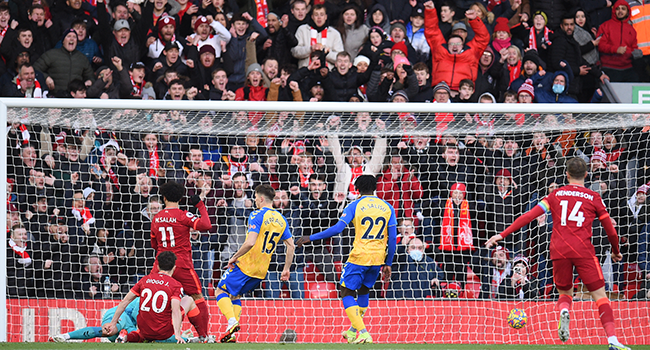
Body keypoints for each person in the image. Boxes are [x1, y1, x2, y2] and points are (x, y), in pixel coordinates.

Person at [486, 157, 630, 350]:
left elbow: (529, 216)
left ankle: (564, 310)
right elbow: (610, 230)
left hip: (559, 250)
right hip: (583, 250)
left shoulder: (555, 195)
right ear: (586, 174)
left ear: (567, 175)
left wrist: (502, 234)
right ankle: (613, 340)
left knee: (565, 292)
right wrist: (615, 251)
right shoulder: (594, 197)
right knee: (601, 297)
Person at [296, 175, 397, 344]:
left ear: (357, 189)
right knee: (364, 291)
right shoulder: (387, 207)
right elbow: (392, 238)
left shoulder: (355, 205)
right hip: (378, 257)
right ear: (375, 188)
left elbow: (337, 228)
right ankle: (352, 331)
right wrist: (388, 263)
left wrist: (311, 237)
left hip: (359, 256)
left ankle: (363, 333)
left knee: (346, 291)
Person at [215, 184, 295, 343]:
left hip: (246, 264)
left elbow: (250, 242)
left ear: (261, 198)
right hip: (261, 271)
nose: (255, 201)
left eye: (256, 198)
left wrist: (234, 257)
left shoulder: (256, 214)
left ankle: (231, 322)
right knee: (235, 294)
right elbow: (291, 245)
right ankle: (230, 333)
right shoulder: (281, 219)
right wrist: (286, 268)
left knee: (220, 291)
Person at [151, 181, 212, 342]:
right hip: (182, 264)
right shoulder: (183, 215)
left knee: (150, 295)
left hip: (161, 265)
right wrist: (200, 205)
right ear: (180, 198)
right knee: (197, 297)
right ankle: (204, 336)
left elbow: (153, 244)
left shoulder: (156, 218)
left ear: (164, 198)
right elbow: (206, 224)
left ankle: (147, 332)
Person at [105, 251, 197, 343]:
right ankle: (202, 336)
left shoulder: (145, 280)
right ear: (174, 267)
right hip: (163, 332)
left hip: (144, 328)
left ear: (158, 266)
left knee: (141, 334)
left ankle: (126, 337)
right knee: (189, 300)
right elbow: (175, 310)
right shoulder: (176, 285)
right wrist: (177, 334)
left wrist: (113, 323)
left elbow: (125, 301)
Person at [50, 298, 141, 342]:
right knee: (109, 330)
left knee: (141, 338)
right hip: (121, 314)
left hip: (130, 325)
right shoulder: (144, 295)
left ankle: (123, 336)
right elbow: (136, 313)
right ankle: (65, 336)